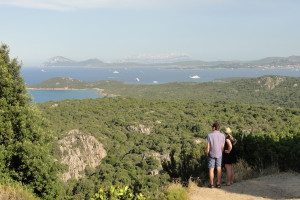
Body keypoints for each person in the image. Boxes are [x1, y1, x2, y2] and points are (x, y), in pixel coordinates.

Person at [206, 122, 225, 188]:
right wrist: (221, 152)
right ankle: (218, 183)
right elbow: (222, 147)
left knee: (211, 169)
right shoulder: (222, 135)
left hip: (211, 154)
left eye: (212, 127)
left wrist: (207, 153)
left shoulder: (209, 135)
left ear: (214, 127)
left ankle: (211, 184)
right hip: (219, 153)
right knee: (219, 168)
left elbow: (208, 146)